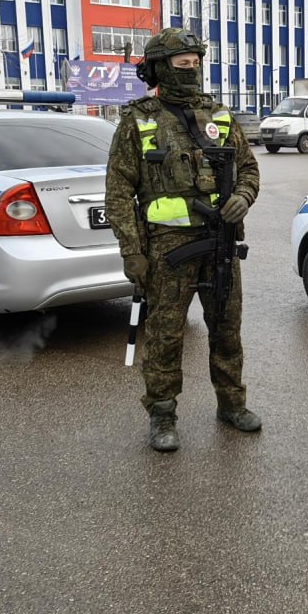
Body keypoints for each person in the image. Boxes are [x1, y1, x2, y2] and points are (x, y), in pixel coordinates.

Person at [103, 28, 262, 452]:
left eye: (195, 62)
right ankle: (162, 414)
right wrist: (132, 252)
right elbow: (119, 191)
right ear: (159, 67)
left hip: (221, 243)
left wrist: (243, 197)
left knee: (227, 330)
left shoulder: (220, 116)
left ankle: (232, 403)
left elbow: (249, 168)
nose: (190, 70)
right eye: (181, 63)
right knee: (166, 334)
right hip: (168, 249)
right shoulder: (138, 121)